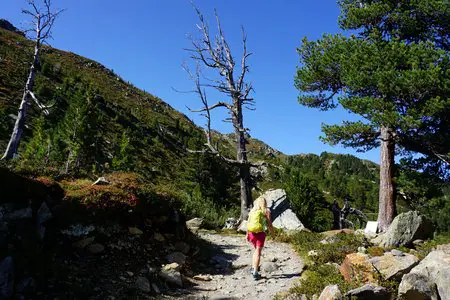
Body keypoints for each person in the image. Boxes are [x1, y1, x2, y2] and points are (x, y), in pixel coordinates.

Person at [246, 197, 274, 280]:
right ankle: (255, 272)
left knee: (256, 250)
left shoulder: (253, 210)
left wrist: (247, 234)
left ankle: (253, 268)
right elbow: (269, 223)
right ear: (264, 203)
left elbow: (248, 222)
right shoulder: (266, 211)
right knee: (258, 251)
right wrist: (273, 233)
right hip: (260, 233)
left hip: (251, 233)